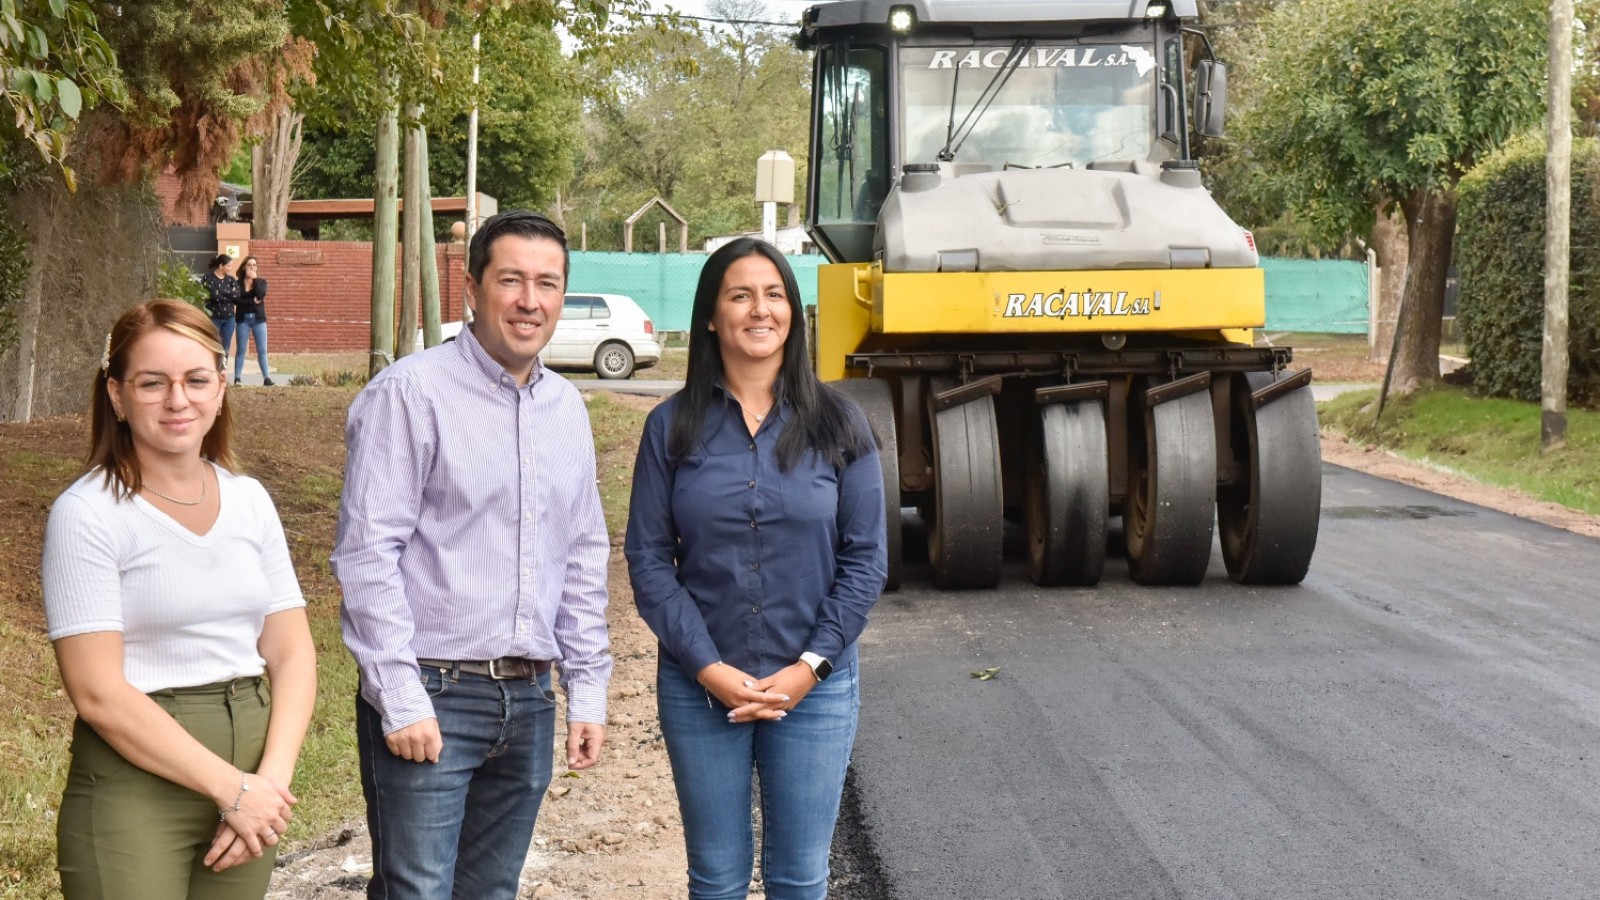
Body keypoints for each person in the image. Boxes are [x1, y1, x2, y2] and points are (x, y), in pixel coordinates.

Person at [332, 210, 613, 900]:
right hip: (434, 693)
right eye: (511, 280)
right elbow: (368, 554)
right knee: (416, 892)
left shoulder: (567, 409)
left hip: (530, 699)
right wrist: (399, 696)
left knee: (492, 892)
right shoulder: (409, 393)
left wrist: (587, 690)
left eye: (547, 283)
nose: (529, 301)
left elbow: (581, 554)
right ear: (471, 288)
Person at [625, 238, 888, 900]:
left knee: (799, 879)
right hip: (699, 685)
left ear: (793, 313)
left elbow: (866, 560)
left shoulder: (840, 423)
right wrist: (708, 669)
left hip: (815, 687)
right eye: (740, 295)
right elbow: (649, 560)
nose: (759, 309)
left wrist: (809, 668)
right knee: (716, 879)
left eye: (774, 295)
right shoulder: (669, 427)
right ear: (712, 317)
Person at [40, 299, 317, 900]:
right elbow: (96, 691)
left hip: (253, 779)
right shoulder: (87, 513)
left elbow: (293, 653)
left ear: (220, 389)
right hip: (136, 791)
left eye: (195, 380)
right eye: (152, 383)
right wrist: (232, 790)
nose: (177, 400)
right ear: (116, 395)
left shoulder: (250, 500)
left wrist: (267, 787)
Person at [233, 255, 274, 386]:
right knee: (241, 350)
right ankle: (237, 378)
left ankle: (266, 378)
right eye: (249, 265)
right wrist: (252, 301)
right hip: (243, 320)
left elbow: (261, 294)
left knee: (262, 350)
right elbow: (236, 300)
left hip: (258, 320)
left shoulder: (261, 282)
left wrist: (255, 279)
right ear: (244, 267)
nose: (252, 267)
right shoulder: (238, 283)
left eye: (254, 265)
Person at [200, 254, 240, 367]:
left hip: (229, 319)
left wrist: (220, 292)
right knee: (212, 343)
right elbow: (213, 295)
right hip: (213, 318)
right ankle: (211, 366)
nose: (231, 268)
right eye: (229, 266)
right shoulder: (208, 278)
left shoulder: (231, 280)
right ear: (221, 265)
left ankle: (222, 368)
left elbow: (237, 296)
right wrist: (228, 294)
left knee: (225, 345)